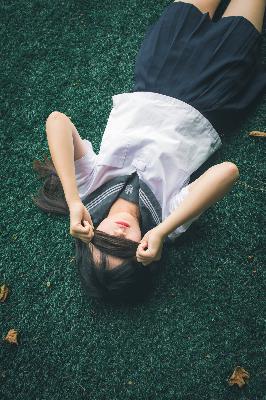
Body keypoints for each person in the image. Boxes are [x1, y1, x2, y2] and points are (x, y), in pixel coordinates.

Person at [33, 0, 266, 306]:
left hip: (156, 72)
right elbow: (228, 173)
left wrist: (74, 199)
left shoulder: (87, 190)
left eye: (106, 243)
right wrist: (162, 231)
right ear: (143, 251)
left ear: (89, 239)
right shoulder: (168, 220)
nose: (119, 233)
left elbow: (57, 121)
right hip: (211, 95)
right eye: (123, 248)